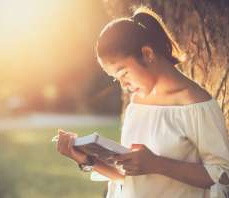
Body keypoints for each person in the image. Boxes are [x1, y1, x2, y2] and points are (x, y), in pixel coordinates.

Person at [55, 6, 229, 198]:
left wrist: (157, 164)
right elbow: (129, 180)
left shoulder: (196, 105)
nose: (123, 84)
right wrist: (87, 159)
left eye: (124, 73)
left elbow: (222, 175)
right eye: (115, 78)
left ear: (147, 54)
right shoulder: (136, 103)